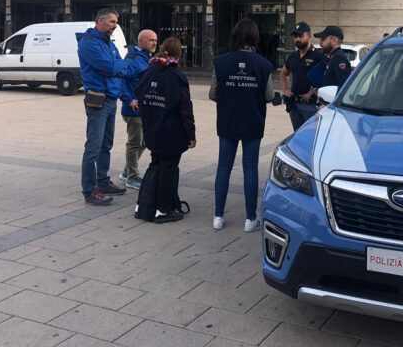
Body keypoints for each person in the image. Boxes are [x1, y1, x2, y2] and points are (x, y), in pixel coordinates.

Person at [209, 18, 280, 232]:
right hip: (252, 121)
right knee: (250, 168)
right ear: (255, 37)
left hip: (228, 120)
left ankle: (218, 216)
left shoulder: (219, 62)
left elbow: (213, 93)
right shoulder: (263, 65)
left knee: (224, 167)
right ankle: (250, 218)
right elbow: (268, 95)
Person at [78, 8, 143, 206]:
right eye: (112, 22)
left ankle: (103, 181)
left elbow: (119, 67)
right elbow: (110, 67)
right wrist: (116, 67)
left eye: (116, 22)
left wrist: (117, 68)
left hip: (111, 100)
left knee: (106, 145)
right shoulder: (89, 44)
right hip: (97, 100)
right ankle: (89, 191)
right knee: (94, 147)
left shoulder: (109, 44)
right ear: (99, 21)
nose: (115, 26)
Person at [135, 37, 196, 223]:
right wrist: (191, 135)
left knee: (155, 165)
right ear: (179, 54)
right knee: (168, 169)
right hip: (171, 132)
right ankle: (163, 210)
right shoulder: (177, 77)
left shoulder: (148, 72)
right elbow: (185, 109)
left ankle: (143, 205)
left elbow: (141, 98)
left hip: (152, 129)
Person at [118, 29, 157, 190]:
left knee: (144, 142)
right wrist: (128, 99)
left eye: (155, 40)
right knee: (134, 143)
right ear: (141, 41)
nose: (154, 43)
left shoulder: (146, 58)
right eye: (150, 40)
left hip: (144, 110)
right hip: (134, 110)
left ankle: (127, 172)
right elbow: (120, 77)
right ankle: (132, 177)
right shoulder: (134, 59)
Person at [280, 21, 325, 130]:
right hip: (294, 105)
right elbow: (283, 73)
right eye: (295, 36)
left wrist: (312, 91)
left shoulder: (318, 55)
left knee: (310, 138)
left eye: (301, 36)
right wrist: (285, 89)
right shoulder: (293, 56)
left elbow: (325, 77)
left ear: (309, 35)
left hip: (311, 105)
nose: (297, 39)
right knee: (297, 136)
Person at [314, 25, 352, 89]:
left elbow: (343, 88)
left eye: (323, 39)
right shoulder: (333, 57)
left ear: (334, 40)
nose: (320, 43)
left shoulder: (339, 58)